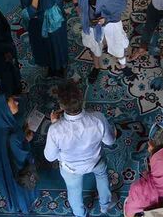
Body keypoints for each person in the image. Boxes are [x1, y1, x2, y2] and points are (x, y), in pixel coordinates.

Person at [44, 79, 117, 217]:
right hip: (95, 161)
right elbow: (110, 141)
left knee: (74, 191)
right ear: (81, 98)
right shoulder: (98, 118)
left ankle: (80, 214)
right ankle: (105, 206)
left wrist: (55, 123)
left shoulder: (55, 129)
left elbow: (50, 157)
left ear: (61, 105)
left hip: (71, 168)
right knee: (102, 175)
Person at [70, 0, 132, 84]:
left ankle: (123, 66)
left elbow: (120, 3)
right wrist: (77, 5)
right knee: (94, 45)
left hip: (110, 17)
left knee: (117, 42)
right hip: (91, 18)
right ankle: (96, 67)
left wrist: (107, 18)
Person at [0, 94, 37, 214]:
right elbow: (22, 156)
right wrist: (26, 140)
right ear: (4, 110)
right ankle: (25, 208)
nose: (17, 103)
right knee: (23, 189)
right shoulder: (13, 138)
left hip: (6, 167)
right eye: (13, 102)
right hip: (19, 171)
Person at [19, 0, 68, 78]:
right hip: (37, 24)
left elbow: (59, 5)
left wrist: (43, 15)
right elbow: (28, 15)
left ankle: (60, 67)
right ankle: (49, 66)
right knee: (42, 46)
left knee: (56, 44)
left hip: (53, 22)